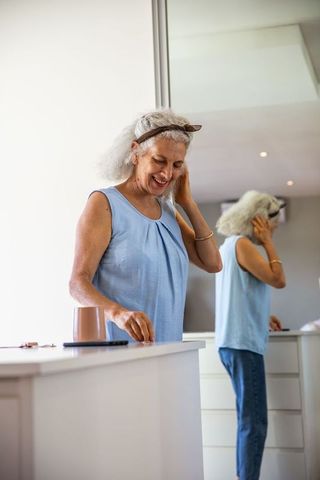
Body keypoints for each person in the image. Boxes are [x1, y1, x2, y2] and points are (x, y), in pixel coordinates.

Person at [69, 109, 222, 343]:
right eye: (159, 160)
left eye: (177, 164)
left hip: (168, 351)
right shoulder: (105, 204)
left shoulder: (168, 213)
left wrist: (187, 203)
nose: (167, 173)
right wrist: (118, 313)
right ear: (136, 153)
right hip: (120, 353)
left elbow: (213, 263)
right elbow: (78, 283)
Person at [214, 190, 286, 480]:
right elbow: (279, 280)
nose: (273, 231)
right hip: (242, 344)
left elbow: (237, 294)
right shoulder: (243, 245)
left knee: (248, 421)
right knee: (254, 423)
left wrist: (261, 314)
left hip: (233, 343)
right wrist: (268, 243)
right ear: (259, 221)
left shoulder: (229, 247)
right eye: (272, 226)